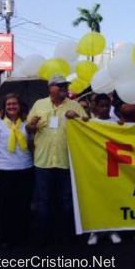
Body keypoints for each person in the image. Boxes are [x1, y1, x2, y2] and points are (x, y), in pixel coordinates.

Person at [26, 75, 86, 244]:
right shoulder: (39, 104)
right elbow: (28, 128)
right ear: (50, 88)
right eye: (60, 86)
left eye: (65, 86)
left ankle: (66, 235)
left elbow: (88, 126)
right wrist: (32, 124)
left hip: (66, 161)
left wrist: (78, 117)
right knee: (43, 200)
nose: (64, 89)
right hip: (43, 162)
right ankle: (44, 236)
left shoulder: (74, 105)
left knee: (66, 200)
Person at [0, 93, 34, 248]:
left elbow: (32, 145)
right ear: (4, 107)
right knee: (5, 206)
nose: (12, 107)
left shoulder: (26, 123)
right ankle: (6, 237)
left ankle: (23, 236)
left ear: (20, 106)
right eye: (9, 104)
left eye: (15, 104)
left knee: (23, 205)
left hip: (25, 168)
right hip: (4, 170)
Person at [85, 94, 122, 245]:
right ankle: (95, 231)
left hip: (112, 166)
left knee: (111, 198)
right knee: (95, 199)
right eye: (102, 106)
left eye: (107, 106)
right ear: (96, 107)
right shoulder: (90, 123)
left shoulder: (116, 122)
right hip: (95, 165)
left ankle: (113, 229)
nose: (105, 109)